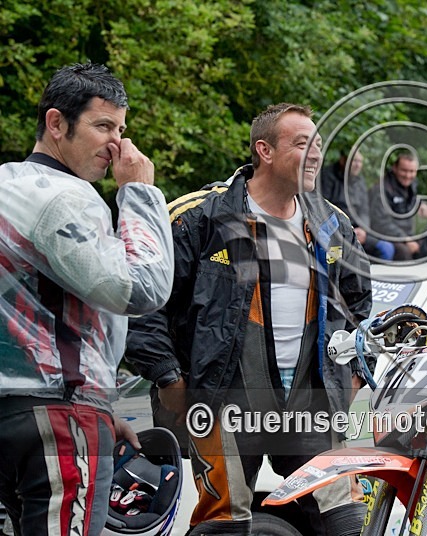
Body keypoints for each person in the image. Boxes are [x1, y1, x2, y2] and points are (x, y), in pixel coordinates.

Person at [125, 103, 373, 534]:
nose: (315, 153)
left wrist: (350, 378)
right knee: (224, 525)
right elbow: (142, 300)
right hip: (221, 405)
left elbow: (360, 308)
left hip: (310, 406)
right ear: (265, 150)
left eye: (318, 143)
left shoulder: (333, 224)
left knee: (346, 522)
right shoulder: (199, 216)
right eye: (302, 143)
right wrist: (169, 378)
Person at [0, 63, 174, 536]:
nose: (117, 145)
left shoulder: (7, 185)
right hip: (58, 415)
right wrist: (139, 193)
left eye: (121, 129)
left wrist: (102, 403)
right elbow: (143, 288)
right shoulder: (64, 196)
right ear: (56, 124)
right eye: (102, 126)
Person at [320, 150, 395, 260]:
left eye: (360, 161)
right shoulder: (328, 177)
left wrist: (363, 229)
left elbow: (364, 210)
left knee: (387, 248)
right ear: (343, 161)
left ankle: (370, 276)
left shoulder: (360, 182)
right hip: (336, 231)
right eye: (354, 160)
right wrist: (347, 230)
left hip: (358, 231)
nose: (357, 165)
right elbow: (324, 207)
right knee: (335, 259)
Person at [368, 151, 427, 260]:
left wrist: (421, 205)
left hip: (407, 234)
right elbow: (379, 223)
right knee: (404, 252)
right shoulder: (381, 189)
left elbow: (411, 199)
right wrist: (405, 239)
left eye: (412, 171)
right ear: (395, 168)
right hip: (385, 236)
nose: (408, 175)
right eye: (404, 170)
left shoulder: (411, 185)